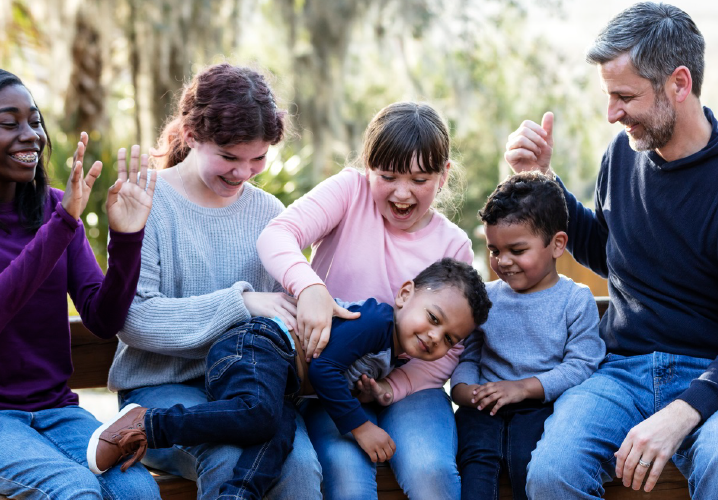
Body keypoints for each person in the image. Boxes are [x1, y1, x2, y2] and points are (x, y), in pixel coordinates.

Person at [505, 3, 718, 498]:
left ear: (679, 84)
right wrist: (543, 181)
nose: (612, 114)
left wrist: (683, 412)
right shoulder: (622, 154)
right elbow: (605, 249)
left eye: (624, 97)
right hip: (619, 373)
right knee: (552, 470)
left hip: (716, 377)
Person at [0, 68, 159, 499]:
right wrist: (61, 224)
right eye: (9, 123)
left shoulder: (55, 208)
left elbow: (102, 317)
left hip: (56, 411)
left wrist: (128, 237)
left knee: (138, 492)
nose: (30, 135)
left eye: (34, 121)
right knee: (74, 491)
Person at [88, 258, 492, 500]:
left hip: (283, 382)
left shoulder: (389, 350)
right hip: (260, 346)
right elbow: (323, 368)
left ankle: (238, 494)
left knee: (278, 440)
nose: (435, 337)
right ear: (405, 294)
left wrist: (371, 392)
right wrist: (361, 426)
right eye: (434, 319)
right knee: (261, 416)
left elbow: (335, 369)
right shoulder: (378, 319)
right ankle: (148, 422)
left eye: (450, 339)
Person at [103, 63, 323, 499]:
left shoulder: (269, 213)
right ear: (190, 134)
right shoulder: (147, 202)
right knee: (226, 456)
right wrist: (242, 303)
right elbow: (136, 319)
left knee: (297, 466)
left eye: (257, 158)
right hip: (162, 395)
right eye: (228, 157)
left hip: (251, 391)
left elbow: (285, 318)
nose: (243, 172)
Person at [257, 101, 473, 499]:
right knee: (346, 475)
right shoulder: (349, 192)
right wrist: (309, 287)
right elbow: (276, 235)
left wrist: (393, 389)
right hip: (329, 385)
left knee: (432, 471)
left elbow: (449, 347)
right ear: (368, 167)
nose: (402, 193)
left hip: (411, 389)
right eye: (387, 176)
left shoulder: (453, 246)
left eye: (419, 179)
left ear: (443, 176)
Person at [450, 172, 605, 500]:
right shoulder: (486, 297)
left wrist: (524, 388)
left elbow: (582, 365)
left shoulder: (574, 300)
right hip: (483, 410)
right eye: (494, 250)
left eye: (517, 250)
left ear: (557, 244)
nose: (503, 262)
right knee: (475, 470)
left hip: (540, 409)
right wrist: (464, 390)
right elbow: (470, 352)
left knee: (529, 467)